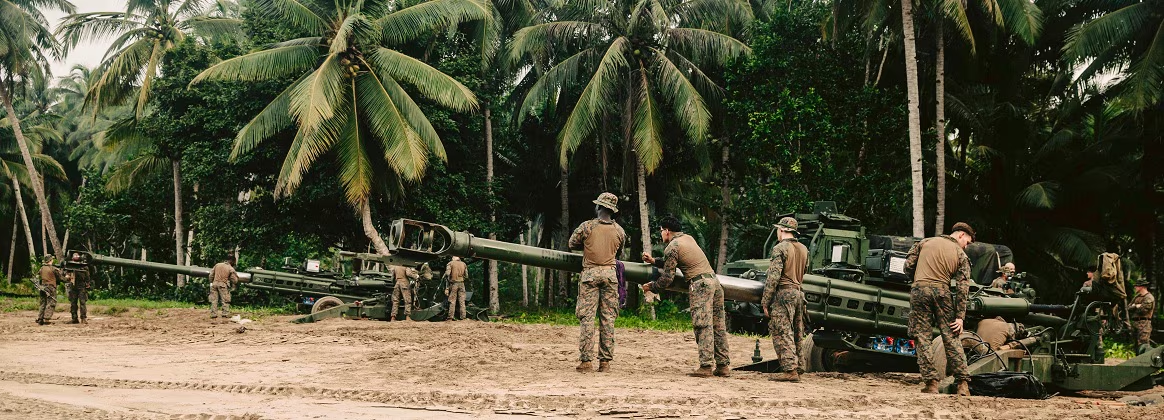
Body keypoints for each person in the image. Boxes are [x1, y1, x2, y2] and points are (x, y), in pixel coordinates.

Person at [641, 216, 730, 378]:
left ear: (667, 231)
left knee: (702, 325)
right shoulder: (687, 238)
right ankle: (723, 366)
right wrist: (654, 261)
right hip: (714, 283)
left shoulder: (672, 246)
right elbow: (675, 261)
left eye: (661, 231)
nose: (661, 234)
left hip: (700, 285)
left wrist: (651, 287)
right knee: (718, 325)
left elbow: (668, 278)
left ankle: (706, 366)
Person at [904, 222, 974, 396]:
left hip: (919, 291)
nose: (967, 246)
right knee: (951, 336)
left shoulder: (924, 242)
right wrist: (960, 317)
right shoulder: (960, 255)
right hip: (942, 293)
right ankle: (962, 384)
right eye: (968, 242)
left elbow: (908, 267)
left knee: (922, 337)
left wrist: (920, 279)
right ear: (960, 235)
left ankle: (931, 383)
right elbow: (962, 287)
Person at [568, 192, 627, 373]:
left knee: (587, 319)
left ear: (598, 207)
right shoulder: (619, 231)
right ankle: (605, 363)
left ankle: (586, 361)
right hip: (610, 276)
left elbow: (572, 244)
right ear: (613, 210)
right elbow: (619, 252)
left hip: (590, 275)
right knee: (607, 319)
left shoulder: (587, 227)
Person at [761, 217, 808, 382]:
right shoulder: (803, 249)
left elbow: (773, 278)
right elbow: (805, 270)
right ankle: (800, 366)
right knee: (797, 331)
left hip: (783, 293)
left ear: (781, 230)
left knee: (782, 331)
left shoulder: (780, 248)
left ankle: (789, 370)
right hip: (798, 293)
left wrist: (765, 301)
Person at [1129, 278, 1156, 352]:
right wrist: (1136, 306)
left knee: (1143, 345)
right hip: (1135, 323)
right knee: (1136, 345)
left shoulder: (1149, 297)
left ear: (1142, 287)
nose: (1135, 287)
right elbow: (1128, 308)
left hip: (1144, 324)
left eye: (1136, 286)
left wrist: (1135, 306)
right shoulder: (1137, 296)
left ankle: (1143, 362)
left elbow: (1143, 310)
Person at [67, 253, 92, 324]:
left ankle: (83, 318)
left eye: (77, 256)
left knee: (82, 303)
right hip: (73, 286)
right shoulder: (70, 266)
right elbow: (66, 274)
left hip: (81, 286)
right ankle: (74, 318)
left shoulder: (84, 266)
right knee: (73, 303)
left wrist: (87, 284)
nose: (76, 257)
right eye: (74, 256)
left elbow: (87, 277)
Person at [36, 255, 60, 325]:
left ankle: (40, 318)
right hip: (51, 287)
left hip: (42, 287)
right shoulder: (53, 269)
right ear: (50, 260)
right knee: (51, 302)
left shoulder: (42, 268)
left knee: (43, 303)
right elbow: (60, 278)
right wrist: (67, 278)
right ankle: (46, 319)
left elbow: (38, 275)